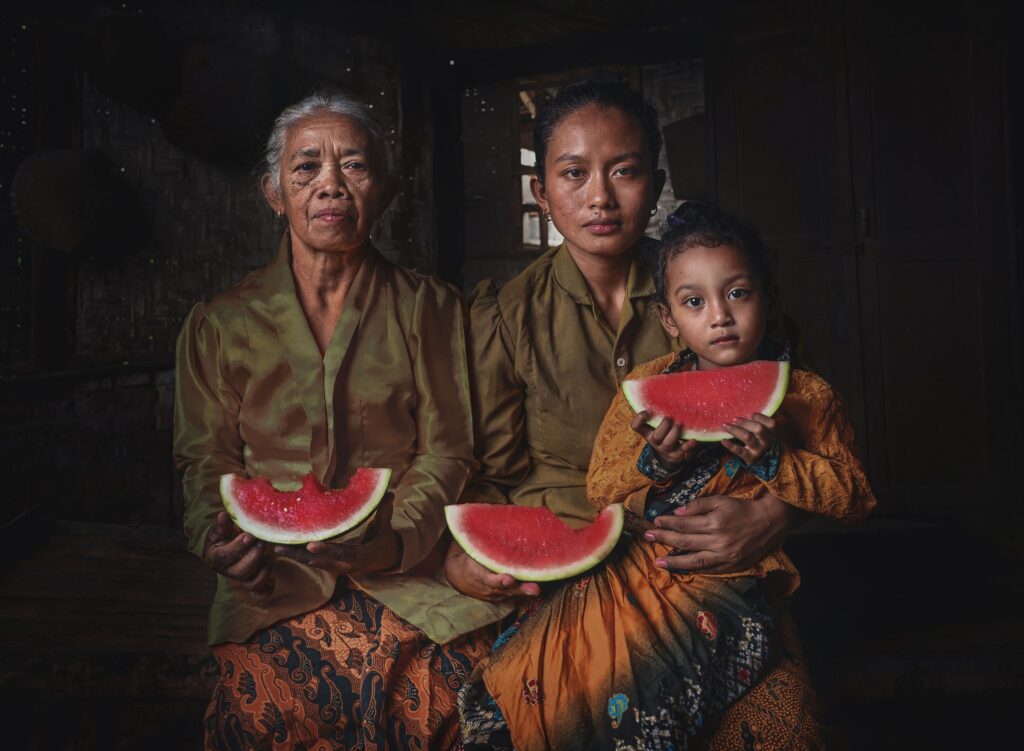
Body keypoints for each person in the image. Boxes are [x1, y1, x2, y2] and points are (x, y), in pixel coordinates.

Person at [443, 78, 864, 749]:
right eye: (574, 174)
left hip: (724, 570)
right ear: (541, 193)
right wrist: (463, 559)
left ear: (657, 182)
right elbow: (487, 479)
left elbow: (818, 446)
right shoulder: (501, 318)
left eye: (625, 171)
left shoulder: (723, 290)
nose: (600, 197)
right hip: (571, 574)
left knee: (789, 732)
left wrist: (772, 517)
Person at [173, 90, 506, 751]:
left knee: (449, 709)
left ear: (383, 191)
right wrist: (215, 538)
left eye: (354, 165)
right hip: (273, 580)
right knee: (268, 716)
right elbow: (205, 462)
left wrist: (391, 540)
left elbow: (447, 452)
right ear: (274, 193)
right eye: (306, 168)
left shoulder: (431, 308)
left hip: (409, 573)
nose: (331, 184)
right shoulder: (219, 323)